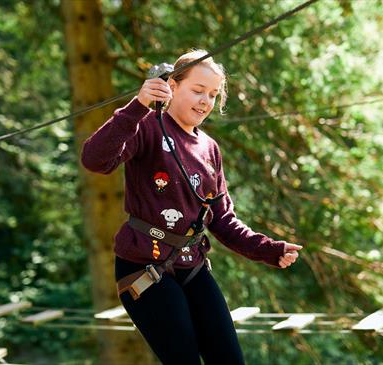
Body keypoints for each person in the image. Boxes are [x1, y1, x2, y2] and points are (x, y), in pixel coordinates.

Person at [81, 50, 302, 365]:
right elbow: (95, 159)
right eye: (197, 90)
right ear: (171, 85)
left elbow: (223, 220)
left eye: (213, 95)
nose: (206, 100)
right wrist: (137, 107)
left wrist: (268, 249)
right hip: (145, 266)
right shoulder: (146, 126)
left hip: (193, 266)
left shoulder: (209, 148)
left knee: (229, 359)